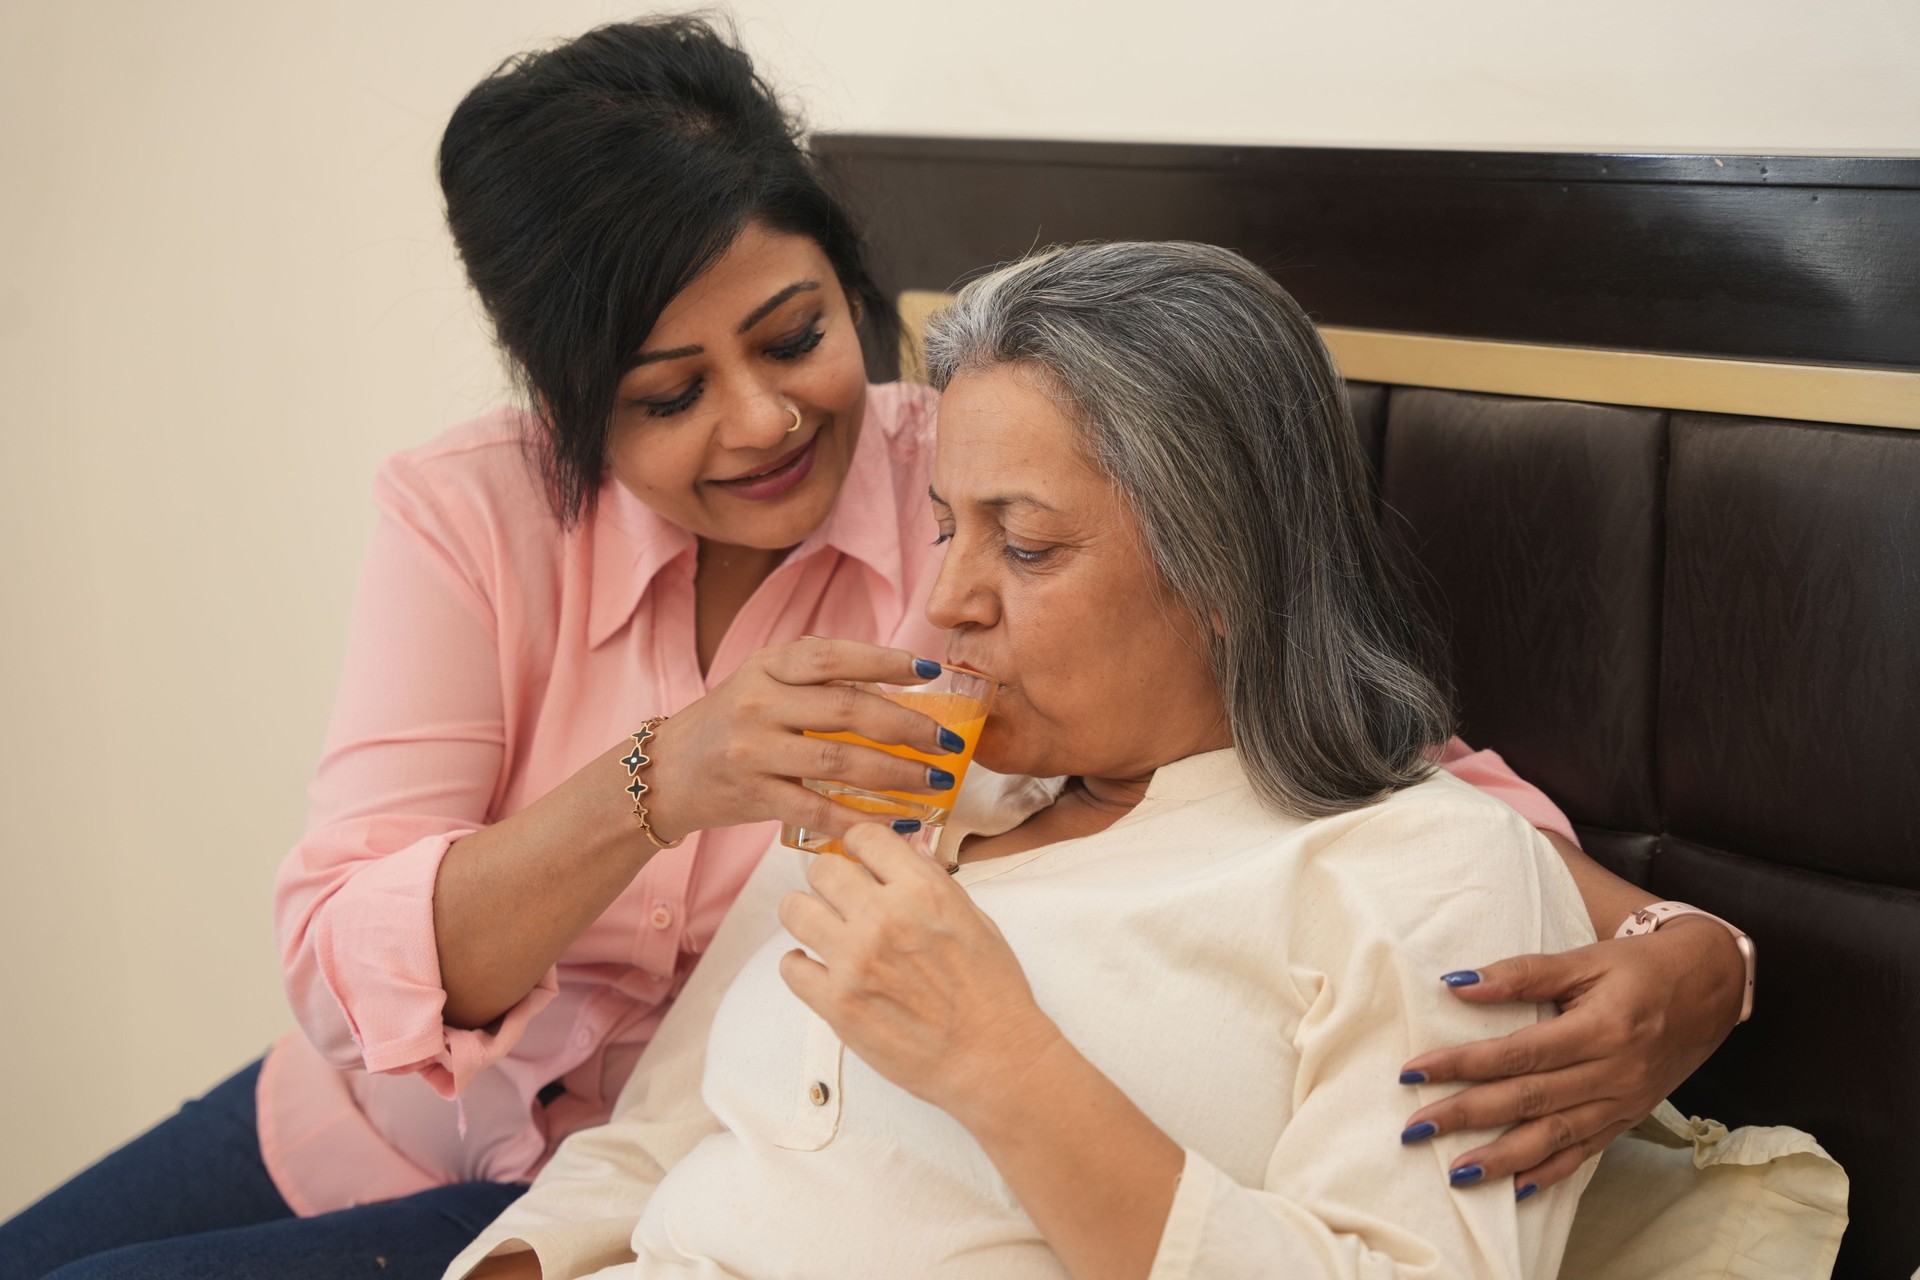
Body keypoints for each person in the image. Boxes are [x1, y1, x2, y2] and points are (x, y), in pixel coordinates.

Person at [0, 21, 1746, 1280]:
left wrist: (1694, 952)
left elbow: (1353, 763)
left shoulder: (976, 452)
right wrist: (664, 784)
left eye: (796, 336)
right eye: (667, 396)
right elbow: (359, 971)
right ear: (566, 408)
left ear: (853, 287)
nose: (764, 422)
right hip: (438, 1142)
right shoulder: (479, 523)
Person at [448, 239, 1598, 1280]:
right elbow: (655, 1134)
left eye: (1029, 543)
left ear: (1228, 572)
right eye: (948, 525)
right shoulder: (910, 784)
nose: (947, 599)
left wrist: (999, 1055)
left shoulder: (1422, 868)